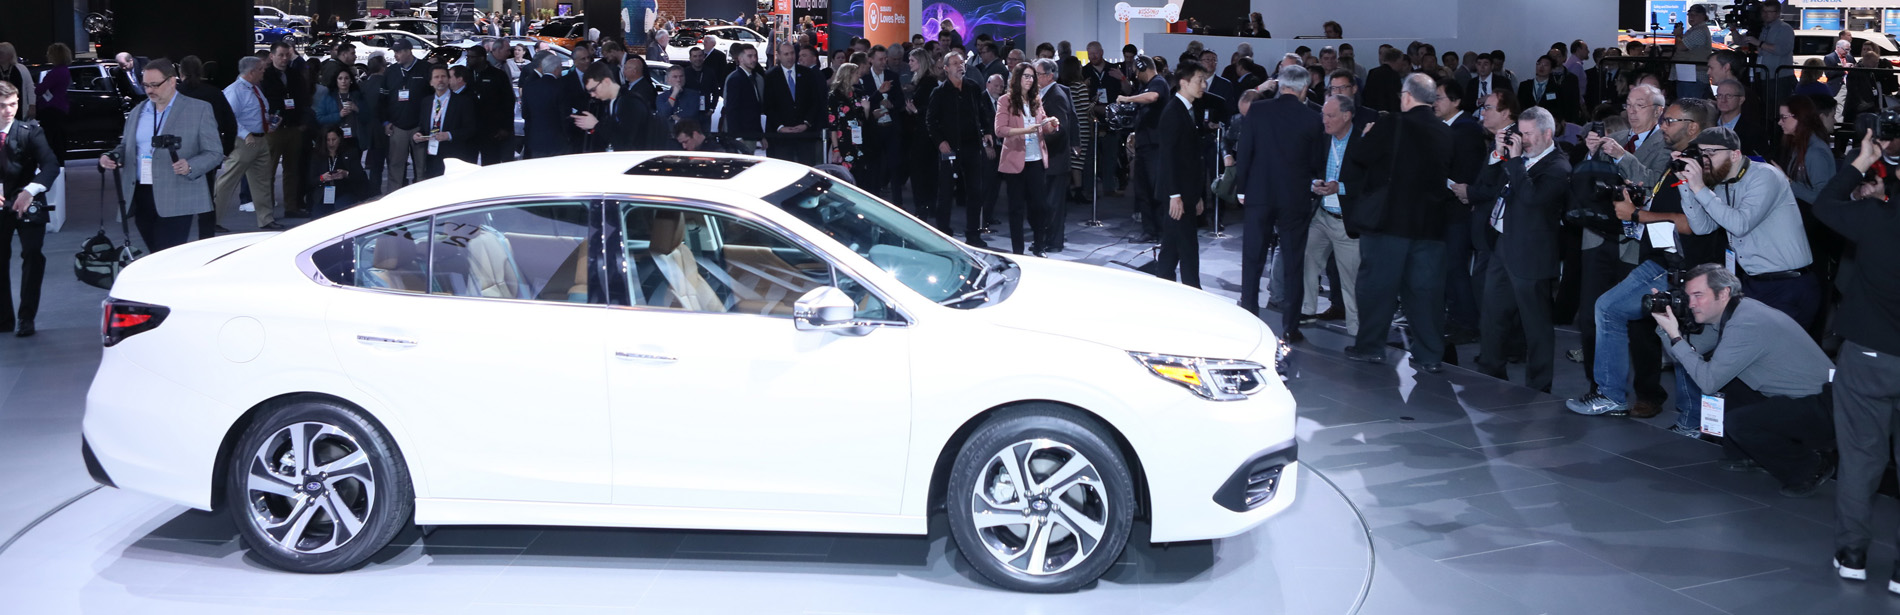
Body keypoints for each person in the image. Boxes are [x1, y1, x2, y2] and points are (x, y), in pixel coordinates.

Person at [1569, 100, 1729, 435]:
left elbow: (1693, 224)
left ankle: (1688, 420)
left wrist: (1637, 215)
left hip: (1685, 265)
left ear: (1693, 127)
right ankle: (1617, 397)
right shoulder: (1679, 162)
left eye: (1671, 121)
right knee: (1620, 313)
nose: (1665, 125)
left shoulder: (1703, 166)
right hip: (1662, 259)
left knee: (1680, 337)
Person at [1657, 264, 1835, 496]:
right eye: (1688, 296)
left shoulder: (1746, 323)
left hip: (1826, 407)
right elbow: (1690, 353)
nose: (1690, 304)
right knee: (1729, 379)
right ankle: (1748, 454)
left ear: (1723, 294)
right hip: (1805, 398)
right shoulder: (1735, 312)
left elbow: (1707, 380)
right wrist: (1665, 329)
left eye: (1698, 296)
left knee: (1739, 421)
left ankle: (1810, 467)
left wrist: (1675, 336)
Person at [1816, 128, 1900, 591]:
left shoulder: (1876, 217)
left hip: (1869, 355)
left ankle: (1853, 554)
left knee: (1861, 458)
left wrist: (1860, 162)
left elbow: (1826, 206)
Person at [1342, 74, 1456, 372]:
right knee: (1426, 295)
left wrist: (1367, 134)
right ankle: (1430, 355)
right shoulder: (1444, 131)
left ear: (1406, 96)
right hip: (1430, 226)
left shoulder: (1391, 123)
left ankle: (1370, 347)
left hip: (1389, 223)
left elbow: (1359, 156)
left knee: (1377, 289)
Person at [1675, 126, 1819, 328]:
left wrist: (1700, 188)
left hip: (1788, 284)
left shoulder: (1765, 177)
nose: (1704, 159)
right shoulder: (1721, 183)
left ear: (1734, 155)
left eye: (1711, 152)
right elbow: (1702, 227)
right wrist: (1685, 184)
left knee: (1774, 355)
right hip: (1752, 283)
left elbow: (1739, 224)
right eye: (1700, 153)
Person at [1471, 106, 1570, 392]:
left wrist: (1514, 161)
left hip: (1532, 254)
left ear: (1547, 133)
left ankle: (1539, 386)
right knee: (1492, 314)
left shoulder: (1558, 166)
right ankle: (1490, 371)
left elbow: (1531, 198)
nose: (1522, 140)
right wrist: (1496, 153)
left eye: (1528, 134)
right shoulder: (1517, 158)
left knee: (1535, 326)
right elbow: (1488, 184)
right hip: (1503, 245)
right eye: (1520, 133)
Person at [1235, 65, 1322, 340]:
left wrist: (1241, 188)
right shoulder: (1313, 118)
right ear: (1304, 89)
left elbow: (1244, 150)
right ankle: (1290, 327)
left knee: (1252, 259)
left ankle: (1249, 317)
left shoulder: (1258, 111)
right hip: (1294, 198)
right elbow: (1316, 163)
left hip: (1259, 194)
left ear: (1279, 85)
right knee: (1294, 261)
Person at [100, 59, 221, 253]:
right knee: (156, 254)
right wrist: (112, 155)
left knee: (167, 254)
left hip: (177, 193)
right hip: (141, 194)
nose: (149, 90)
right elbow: (126, 146)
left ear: (172, 81)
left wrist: (190, 165)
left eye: (155, 85)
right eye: (146, 85)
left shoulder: (199, 109)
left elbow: (215, 153)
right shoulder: (137, 112)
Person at [0, 81, 59, 338]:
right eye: (2, 106)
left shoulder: (30, 131)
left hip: (28, 201)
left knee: (33, 254)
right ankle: (3, 318)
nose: (8, 111)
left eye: (12, 104)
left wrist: (30, 190)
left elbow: (51, 165)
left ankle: (26, 318)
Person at [1303, 94, 1363, 336]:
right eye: (1323, 115)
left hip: (1346, 221)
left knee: (1351, 280)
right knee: (1306, 258)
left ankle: (1357, 330)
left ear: (1347, 116)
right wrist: (1313, 184)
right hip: (1322, 215)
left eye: (1330, 116)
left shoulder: (1363, 141)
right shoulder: (1322, 138)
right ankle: (1307, 311)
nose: (1325, 120)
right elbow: (1309, 167)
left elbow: (1371, 182)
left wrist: (1341, 187)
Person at [1153, 60, 1211, 288]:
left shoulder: (1188, 110)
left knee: (1174, 246)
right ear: (1184, 83)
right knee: (1186, 246)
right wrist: (1174, 195)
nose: (1204, 85)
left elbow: (1190, 157)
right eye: (1200, 80)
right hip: (1176, 193)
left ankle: (1165, 287)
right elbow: (1168, 158)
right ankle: (1192, 290)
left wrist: (1196, 194)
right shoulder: (1173, 112)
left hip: (1186, 192)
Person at [994, 62, 1060, 256]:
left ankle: (1039, 246)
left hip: (1036, 160)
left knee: (1039, 206)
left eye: (1032, 77)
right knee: (1016, 209)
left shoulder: (1036, 100)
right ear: (1017, 79)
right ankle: (1018, 251)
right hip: (1015, 161)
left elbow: (1043, 125)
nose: (1030, 80)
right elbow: (1000, 130)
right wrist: (1026, 130)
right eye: (1026, 76)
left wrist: (1052, 124)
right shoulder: (1005, 100)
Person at [928, 51, 993, 246]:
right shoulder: (939, 92)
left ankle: (973, 234)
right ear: (946, 68)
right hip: (950, 149)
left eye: (961, 62)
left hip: (972, 147)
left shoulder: (973, 88)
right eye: (955, 63)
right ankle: (944, 233)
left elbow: (983, 113)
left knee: (975, 191)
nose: (960, 66)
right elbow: (931, 120)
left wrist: (987, 131)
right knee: (946, 192)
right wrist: (940, 142)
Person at [213, 56, 281, 230]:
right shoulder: (234, 91)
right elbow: (229, 118)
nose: (264, 71)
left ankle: (266, 219)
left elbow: (254, 112)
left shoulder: (255, 89)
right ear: (252, 72)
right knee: (227, 181)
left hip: (260, 139)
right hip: (244, 142)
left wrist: (269, 122)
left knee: (263, 182)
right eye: (261, 69)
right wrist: (245, 133)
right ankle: (212, 220)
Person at [1118, 56, 1170, 244]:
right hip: (1144, 146)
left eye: (1135, 70)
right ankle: (1150, 231)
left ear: (1142, 67)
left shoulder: (1158, 83)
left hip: (1155, 147)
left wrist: (1127, 98)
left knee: (1155, 190)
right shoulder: (1145, 86)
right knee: (1143, 190)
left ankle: (1162, 232)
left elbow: (1153, 98)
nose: (1134, 74)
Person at [260, 42, 309, 218]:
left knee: (292, 170)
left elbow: (304, 98)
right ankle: (267, 211)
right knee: (269, 172)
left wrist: (302, 122)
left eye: (287, 55)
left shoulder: (295, 74)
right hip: (274, 130)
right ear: (271, 56)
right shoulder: (264, 76)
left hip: (294, 127)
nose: (284, 58)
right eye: (280, 55)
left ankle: (291, 207)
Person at [1035, 58, 1078, 252]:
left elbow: (1060, 128)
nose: (1034, 78)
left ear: (1049, 75)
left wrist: (1038, 140)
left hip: (1055, 159)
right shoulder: (1046, 93)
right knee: (1046, 203)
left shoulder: (1056, 95)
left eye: (1037, 74)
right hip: (1049, 159)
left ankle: (1053, 242)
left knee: (1053, 204)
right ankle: (1046, 239)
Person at [381, 38, 432, 194]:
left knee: (421, 168)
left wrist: (427, 126)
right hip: (397, 127)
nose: (396, 55)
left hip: (419, 127)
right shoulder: (390, 71)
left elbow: (432, 98)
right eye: (394, 52)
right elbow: (382, 99)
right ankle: (394, 200)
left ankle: (423, 200)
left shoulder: (426, 68)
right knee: (395, 166)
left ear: (408, 51)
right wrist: (385, 122)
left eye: (398, 52)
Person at [765, 42, 824, 164]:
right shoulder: (770, 76)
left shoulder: (808, 74)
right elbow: (768, 105)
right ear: (779, 56)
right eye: (786, 54)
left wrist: (806, 123)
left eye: (792, 53)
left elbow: (815, 101)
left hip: (805, 135)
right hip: (781, 137)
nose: (790, 57)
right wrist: (780, 127)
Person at [573, 62, 647, 154]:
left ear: (606, 82)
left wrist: (596, 125)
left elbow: (627, 142)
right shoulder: (610, 102)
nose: (592, 95)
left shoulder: (630, 102)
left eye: (593, 90)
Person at [416, 65, 475, 177]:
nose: (440, 80)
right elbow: (423, 126)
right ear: (431, 82)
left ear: (448, 80)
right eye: (436, 77)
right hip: (431, 154)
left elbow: (471, 129)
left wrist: (449, 135)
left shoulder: (462, 102)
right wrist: (419, 135)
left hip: (454, 156)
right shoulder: (426, 102)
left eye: (443, 76)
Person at [467, 50, 516, 165]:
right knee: (469, 164)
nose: (468, 59)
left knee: (491, 163)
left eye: (471, 57)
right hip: (471, 130)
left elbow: (508, 102)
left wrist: (506, 127)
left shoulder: (498, 75)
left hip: (492, 129)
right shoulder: (467, 75)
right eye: (467, 57)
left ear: (482, 58)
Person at [306, 126, 368, 216]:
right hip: (324, 194)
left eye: (334, 139)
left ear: (340, 138)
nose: (331, 143)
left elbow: (361, 176)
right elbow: (311, 180)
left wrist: (346, 174)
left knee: (342, 209)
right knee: (318, 216)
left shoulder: (349, 153)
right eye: (328, 140)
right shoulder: (318, 155)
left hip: (344, 191)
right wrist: (322, 178)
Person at [520, 52, 568, 159]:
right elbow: (564, 115)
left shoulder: (529, 87)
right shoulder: (561, 87)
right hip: (557, 141)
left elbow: (525, 113)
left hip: (535, 140)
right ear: (556, 69)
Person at [717, 43, 767, 148]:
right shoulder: (736, 79)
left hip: (751, 133)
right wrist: (738, 137)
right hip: (743, 135)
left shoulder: (752, 77)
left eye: (755, 56)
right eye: (749, 56)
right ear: (740, 59)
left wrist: (760, 135)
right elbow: (732, 110)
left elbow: (755, 109)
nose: (754, 59)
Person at [825, 62, 869, 177]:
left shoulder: (856, 93)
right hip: (842, 142)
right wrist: (835, 149)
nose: (859, 76)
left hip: (858, 141)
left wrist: (866, 109)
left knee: (860, 174)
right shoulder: (834, 96)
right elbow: (832, 124)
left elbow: (864, 120)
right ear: (848, 75)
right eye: (856, 73)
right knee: (843, 175)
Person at [313, 67, 367, 155]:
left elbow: (367, 117)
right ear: (336, 80)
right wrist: (339, 115)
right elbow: (319, 118)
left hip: (355, 139)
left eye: (346, 78)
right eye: (340, 78)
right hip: (335, 140)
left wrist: (357, 109)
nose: (343, 81)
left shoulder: (358, 96)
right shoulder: (328, 97)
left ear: (351, 80)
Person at [34, 43, 71, 160]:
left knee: (51, 141)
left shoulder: (56, 72)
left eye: (49, 53)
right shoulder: (64, 71)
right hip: (60, 108)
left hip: (51, 109)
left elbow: (40, 90)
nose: (47, 55)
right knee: (58, 140)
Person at [1517, 55, 1579, 125]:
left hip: (1547, 123)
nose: (1541, 67)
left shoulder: (1556, 88)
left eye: (1546, 65)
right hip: (1527, 122)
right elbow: (1519, 106)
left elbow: (1560, 109)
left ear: (1551, 69)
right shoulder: (1524, 85)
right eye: (1539, 64)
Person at [1674, 4, 1714, 99]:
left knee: (1690, 108)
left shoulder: (1699, 31)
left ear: (1703, 16)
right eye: (1689, 14)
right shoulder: (1694, 30)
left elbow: (1681, 47)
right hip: (1688, 75)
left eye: (1695, 15)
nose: (1691, 17)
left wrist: (1678, 35)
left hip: (1695, 77)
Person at [656, 64, 705, 141]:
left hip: (689, 135)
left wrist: (678, 119)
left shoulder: (694, 94)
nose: (679, 80)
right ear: (668, 80)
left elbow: (692, 114)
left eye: (681, 76)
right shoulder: (661, 97)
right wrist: (674, 94)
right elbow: (664, 113)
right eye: (675, 77)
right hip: (668, 134)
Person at [1362, 47, 1406, 114]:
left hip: (1372, 113)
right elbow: (1395, 100)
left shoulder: (1372, 72)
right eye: (1401, 60)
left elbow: (1366, 96)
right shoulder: (1394, 75)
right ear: (1396, 60)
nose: (1402, 63)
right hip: (1388, 115)